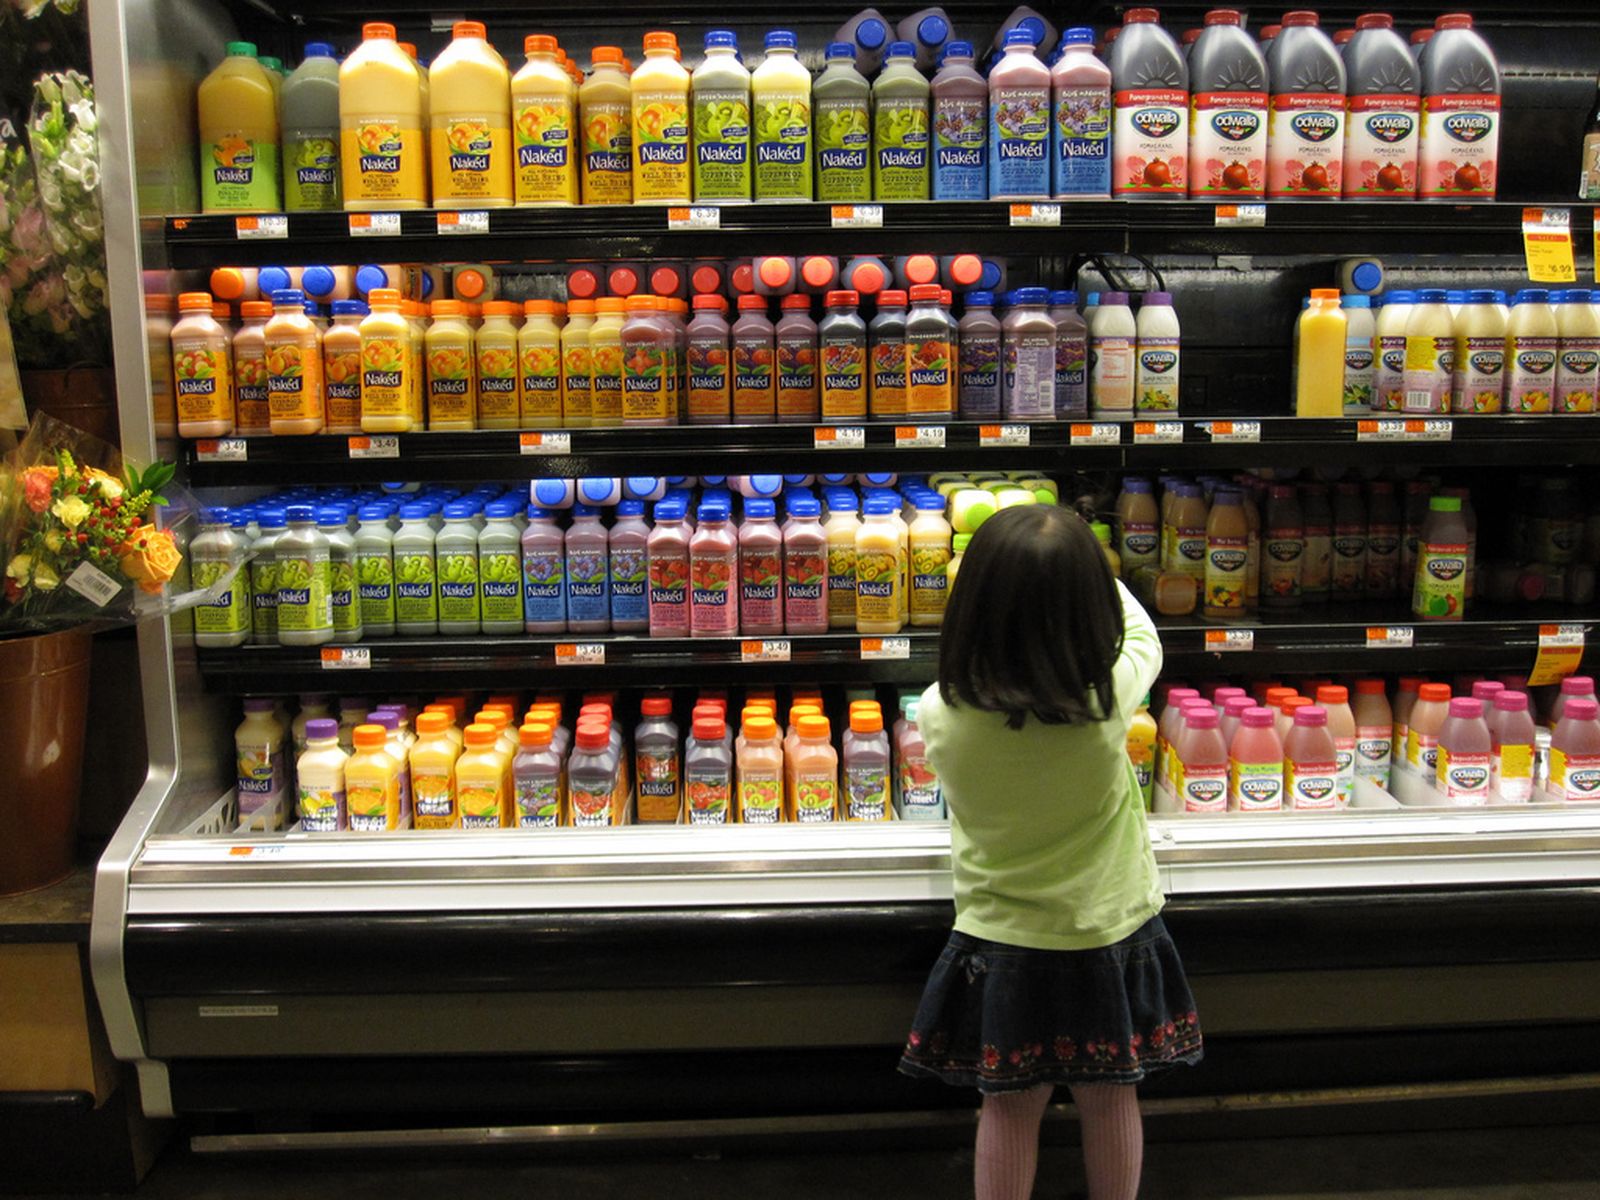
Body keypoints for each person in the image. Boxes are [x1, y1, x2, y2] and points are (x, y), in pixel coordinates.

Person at [898, 503, 1201, 1200]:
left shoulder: (940, 712)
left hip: (1002, 940)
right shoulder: (1103, 704)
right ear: (1088, 608)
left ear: (971, 606)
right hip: (1107, 931)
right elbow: (1144, 639)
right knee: (1111, 1097)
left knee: (1006, 1105)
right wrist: (1097, 572)